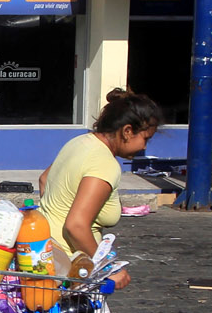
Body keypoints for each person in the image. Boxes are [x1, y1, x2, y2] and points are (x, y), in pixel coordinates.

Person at [37, 88, 162, 263]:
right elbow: (76, 226)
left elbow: (44, 179)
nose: (144, 147)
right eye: (145, 139)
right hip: (68, 264)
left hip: (42, 250)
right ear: (127, 131)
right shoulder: (104, 163)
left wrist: (55, 217)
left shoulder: (79, 142)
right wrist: (104, 266)